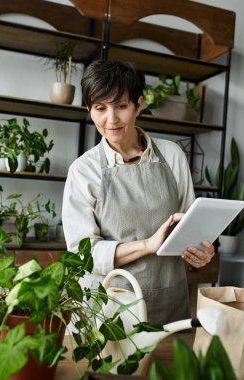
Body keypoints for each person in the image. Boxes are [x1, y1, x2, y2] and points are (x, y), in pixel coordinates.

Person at [62, 60, 215, 325]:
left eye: (121, 106)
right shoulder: (83, 171)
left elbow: (188, 229)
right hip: (111, 308)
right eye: (100, 108)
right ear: (89, 110)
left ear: (138, 105)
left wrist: (200, 253)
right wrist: (147, 245)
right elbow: (82, 255)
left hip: (169, 302)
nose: (111, 120)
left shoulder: (172, 155)